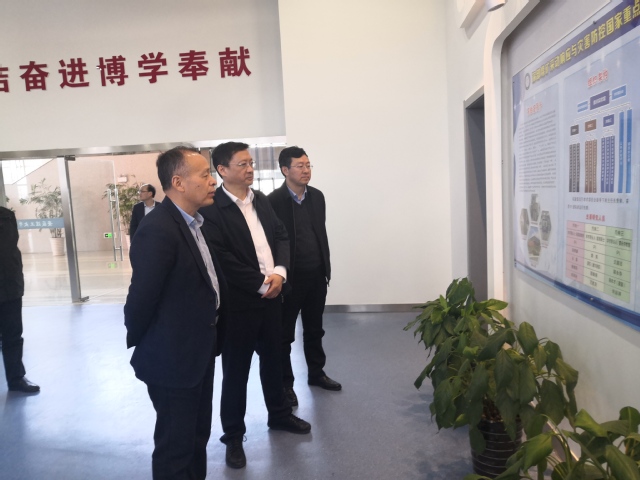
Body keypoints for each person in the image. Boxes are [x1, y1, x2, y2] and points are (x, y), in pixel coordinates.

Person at [199, 142, 311, 470]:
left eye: (251, 163)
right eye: (243, 164)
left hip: (273, 298)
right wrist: (262, 283)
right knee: (236, 372)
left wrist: (280, 272)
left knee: (274, 361)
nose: (250, 169)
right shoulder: (212, 208)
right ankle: (234, 435)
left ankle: (279, 415)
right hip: (240, 305)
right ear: (222, 170)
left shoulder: (260, 199)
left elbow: (280, 236)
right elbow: (222, 257)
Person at [124, 146, 226, 480]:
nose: (212, 181)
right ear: (178, 182)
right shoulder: (158, 229)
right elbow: (140, 300)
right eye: (205, 174)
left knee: (196, 438)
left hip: (199, 351)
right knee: (175, 447)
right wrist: (149, 341)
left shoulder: (196, 223)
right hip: (172, 358)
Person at [268, 146, 341, 408]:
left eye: (308, 165)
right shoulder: (273, 201)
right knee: (285, 334)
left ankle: (316, 373)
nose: (306, 170)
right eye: (300, 166)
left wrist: (325, 268)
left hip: (317, 275)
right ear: (285, 170)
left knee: (314, 329)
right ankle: (286, 384)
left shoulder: (317, 197)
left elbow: (319, 233)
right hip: (290, 280)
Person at [0, 207, 40, 394]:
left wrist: (17, 282)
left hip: (10, 286)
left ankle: (16, 379)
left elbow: (11, 251)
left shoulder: (6, 215)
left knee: (13, 335)